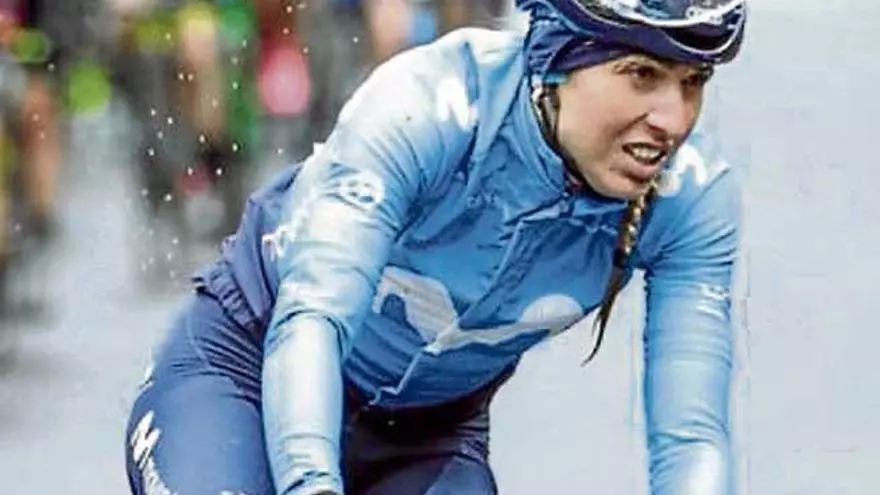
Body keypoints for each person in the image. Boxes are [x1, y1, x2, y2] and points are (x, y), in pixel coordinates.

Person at [124, 0, 748, 494]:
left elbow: (690, 440)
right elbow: (312, 320)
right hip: (244, 375)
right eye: (641, 75)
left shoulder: (690, 196)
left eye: (693, 82)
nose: (672, 119)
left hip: (427, 441)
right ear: (558, 61)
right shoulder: (430, 105)